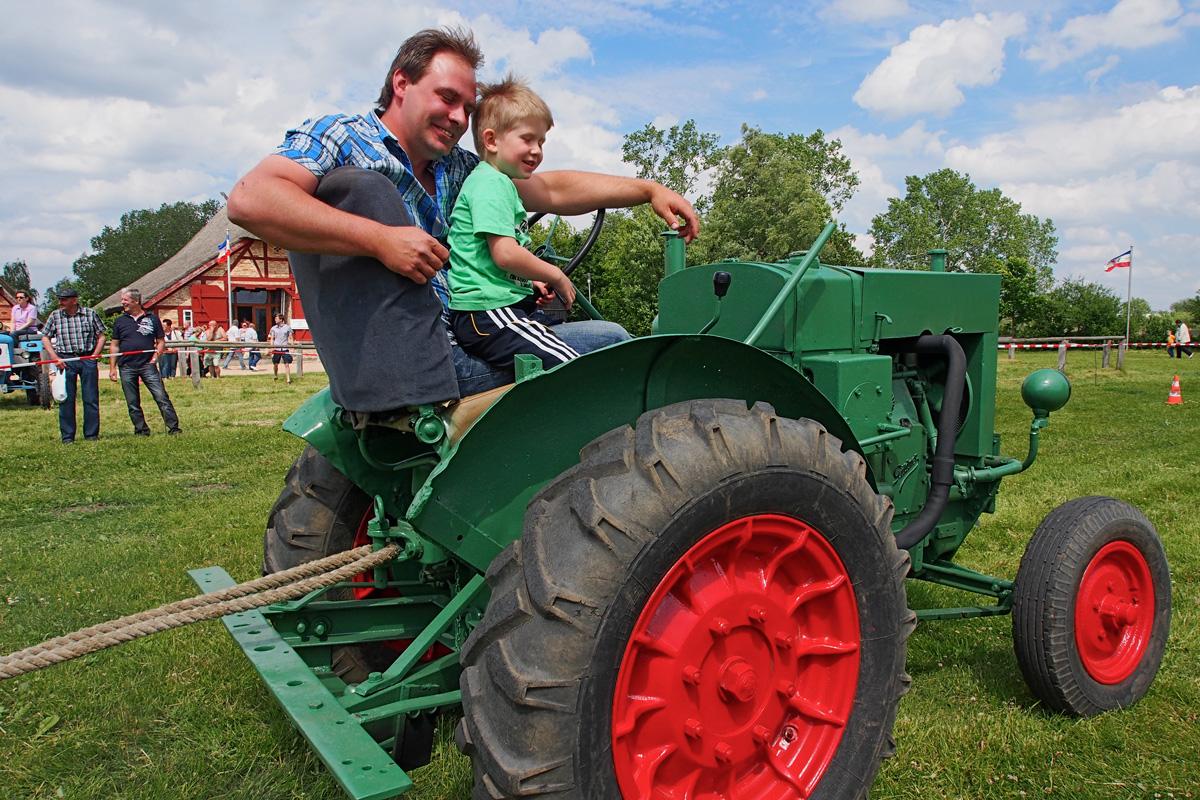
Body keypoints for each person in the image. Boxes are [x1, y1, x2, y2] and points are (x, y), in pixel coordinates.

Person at [227, 26, 698, 414]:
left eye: (467, 109)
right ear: (401, 83)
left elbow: (550, 190)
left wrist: (646, 190)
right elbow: (252, 199)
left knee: (601, 338)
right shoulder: (343, 136)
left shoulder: (459, 167)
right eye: (447, 98)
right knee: (614, 354)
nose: (457, 118)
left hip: (468, 336)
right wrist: (379, 240)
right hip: (420, 359)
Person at [448, 77, 580, 370]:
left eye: (541, 142)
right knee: (570, 366)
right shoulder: (490, 184)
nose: (537, 150)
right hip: (487, 312)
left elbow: (490, 260)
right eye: (527, 139)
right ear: (492, 140)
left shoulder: (500, 184)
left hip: (496, 308)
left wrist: (528, 281)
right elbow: (505, 254)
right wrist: (555, 274)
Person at [108, 288, 181, 436]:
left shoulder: (152, 319)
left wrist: (155, 357)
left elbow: (160, 342)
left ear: (136, 301)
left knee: (161, 396)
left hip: (148, 365)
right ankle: (141, 430)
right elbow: (114, 345)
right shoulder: (120, 321)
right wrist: (112, 367)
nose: (123, 303)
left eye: (125, 300)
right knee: (132, 402)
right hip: (126, 366)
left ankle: (173, 428)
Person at [40, 288, 107, 443]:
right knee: (65, 399)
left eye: (64, 299)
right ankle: (68, 437)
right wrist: (55, 357)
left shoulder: (90, 314)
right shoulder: (55, 316)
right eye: (60, 299)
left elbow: (101, 336)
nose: (60, 303)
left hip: (86, 359)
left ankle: (91, 435)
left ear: (74, 300)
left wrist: (94, 356)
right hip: (65, 361)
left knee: (90, 398)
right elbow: (45, 337)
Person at [268, 313, 294, 383]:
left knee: (287, 364)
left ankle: (288, 380)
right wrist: (271, 347)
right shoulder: (273, 328)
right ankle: (275, 375)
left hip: (285, 348)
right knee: (275, 364)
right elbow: (272, 338)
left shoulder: (287, 327)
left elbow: (290, 337)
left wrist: (292, 346)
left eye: (276, 318)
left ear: (281, 319)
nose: (275, 320)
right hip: (276, 349)